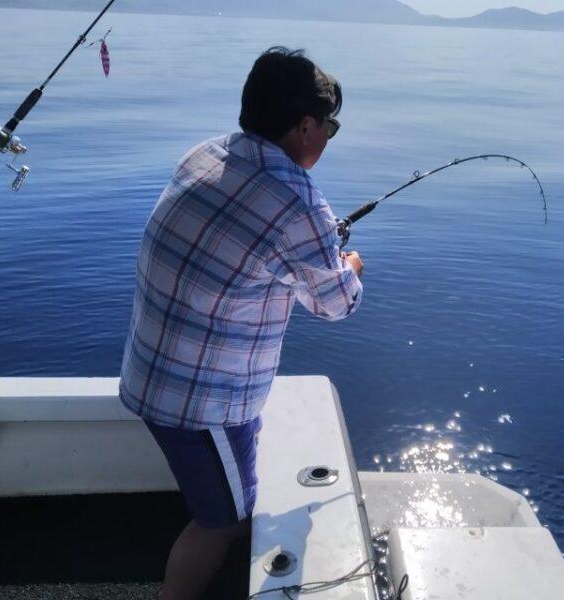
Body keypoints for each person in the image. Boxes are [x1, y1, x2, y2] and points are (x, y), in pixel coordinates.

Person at [118, 46, 363, 600]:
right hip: (197, 406)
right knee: (222, 519)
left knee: (233, 493)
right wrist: (349, 264)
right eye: (330, 125)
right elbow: (336, 304)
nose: (329, 135)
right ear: (305, 126)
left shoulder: (204, 154)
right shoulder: (301, 206)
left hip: (149, 368)